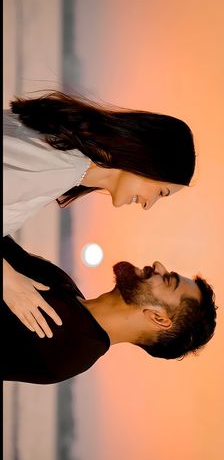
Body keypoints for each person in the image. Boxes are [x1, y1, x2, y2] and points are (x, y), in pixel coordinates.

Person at [3, 90, 196, 334]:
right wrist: (9, 282)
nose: (149, 204)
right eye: (161, 192)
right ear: (150, 163)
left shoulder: (67, 157)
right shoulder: (63, 165)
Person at [2, 236, 217, 385]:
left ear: (158, 318)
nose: (158, 266)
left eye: (168, 280)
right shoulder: (69, 294)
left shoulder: (63, 340)